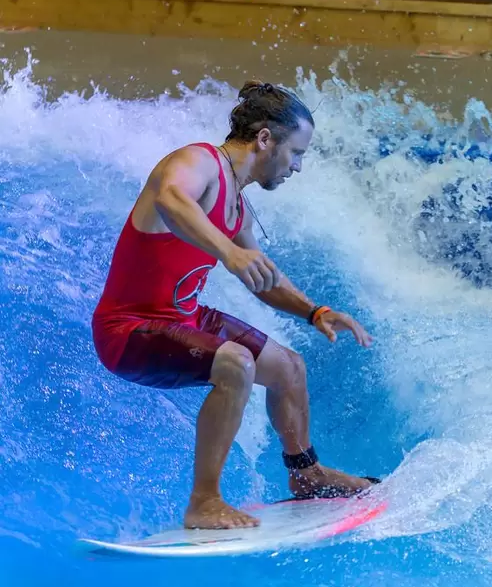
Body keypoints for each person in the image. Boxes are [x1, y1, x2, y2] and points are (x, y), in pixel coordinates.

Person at [92, 80, 378, 530]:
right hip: (129, 329)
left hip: (183, 316)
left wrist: (315, 311)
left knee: (289, 367)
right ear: (265, 139)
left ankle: (307, 474)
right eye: (296, 153)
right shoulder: (198, 162)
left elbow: (263, 279)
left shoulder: (237, 207)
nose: (297, 167)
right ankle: (204, 501)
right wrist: (228, 252)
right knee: (236, 363)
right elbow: (170, 199)